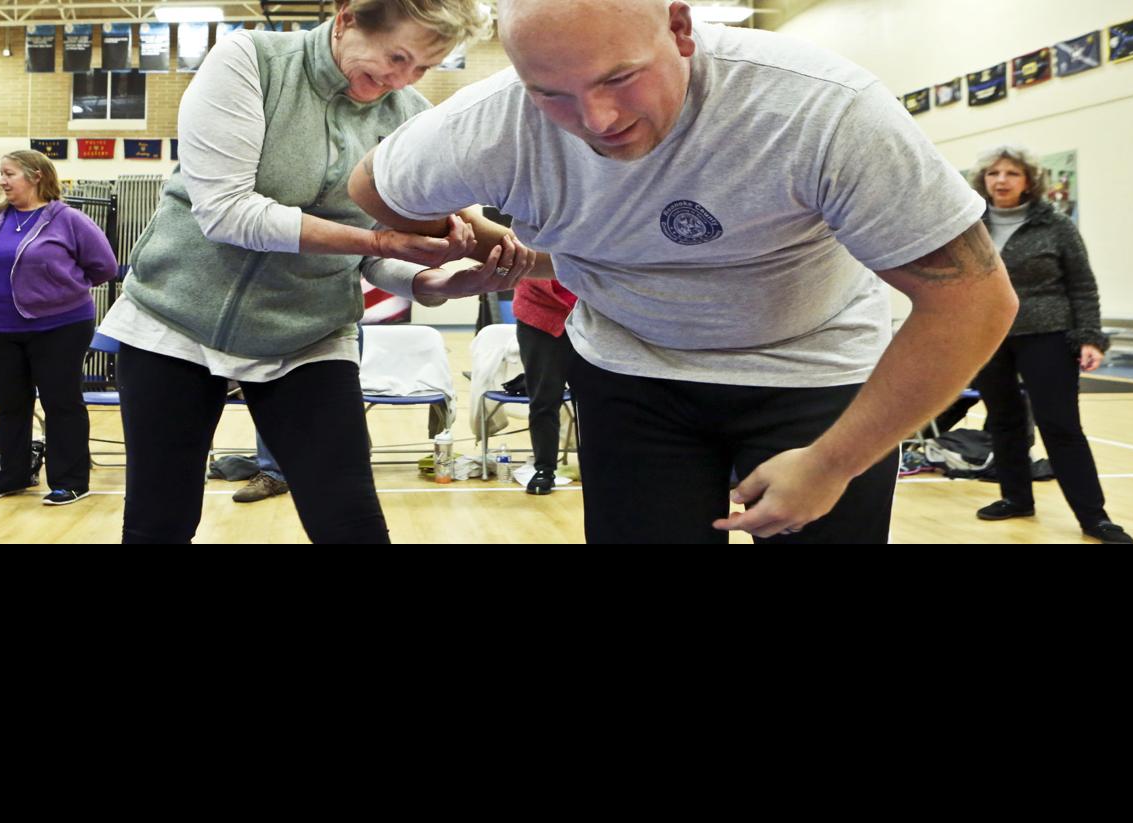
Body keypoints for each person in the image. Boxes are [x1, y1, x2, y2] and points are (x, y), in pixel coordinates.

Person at [351, 0, 1018, 543]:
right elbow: (374, 189)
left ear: (678, 28)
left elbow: (973, 299)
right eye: (551, 94)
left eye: (618, 78)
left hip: (813, 368)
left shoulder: (819, 106)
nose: (597, 120)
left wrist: (833, 461)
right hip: (631, 369)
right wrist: (502, 244)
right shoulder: (490, 122)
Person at [102, 0, 521, 543]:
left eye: (423, 68)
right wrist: (378, 239)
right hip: (175, 321)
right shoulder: (251, 61)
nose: (402, 79)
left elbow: (371, 257)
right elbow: (227, 213)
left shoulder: (408, 116)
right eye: (397, 57)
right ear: (346, 18)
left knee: (351, 524)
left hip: (309, 334)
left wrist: (434, 282)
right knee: (159, 522)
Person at [967, 145, 1133, 544]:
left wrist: (1090, 337)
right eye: (993, 173)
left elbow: (1082, 285)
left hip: (1048, 334)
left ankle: (1094, 517)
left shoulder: (1056, 225)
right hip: (987, 335)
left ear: (1029, 182)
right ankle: (1016, 498)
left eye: (1012, 173)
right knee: (1003, 421)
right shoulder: (970, 226)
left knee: (1060, 425)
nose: (1001, 180)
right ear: (983, 181)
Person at [0, 150, 117, 505]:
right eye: (2, 173)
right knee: (11, 404)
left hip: (60, 326)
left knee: (61, 403)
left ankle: (70, 481)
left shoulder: (68, 220)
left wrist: (60, 290)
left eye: (9, 174)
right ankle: (13, 475)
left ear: (35, 176)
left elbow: (104, 267)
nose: (2, 181)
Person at [509, 277, 580, 494]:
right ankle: (544, 470)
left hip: (590, 313)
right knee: (544, 399)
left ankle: (599, 466)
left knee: (595, 401)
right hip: (537, 313)